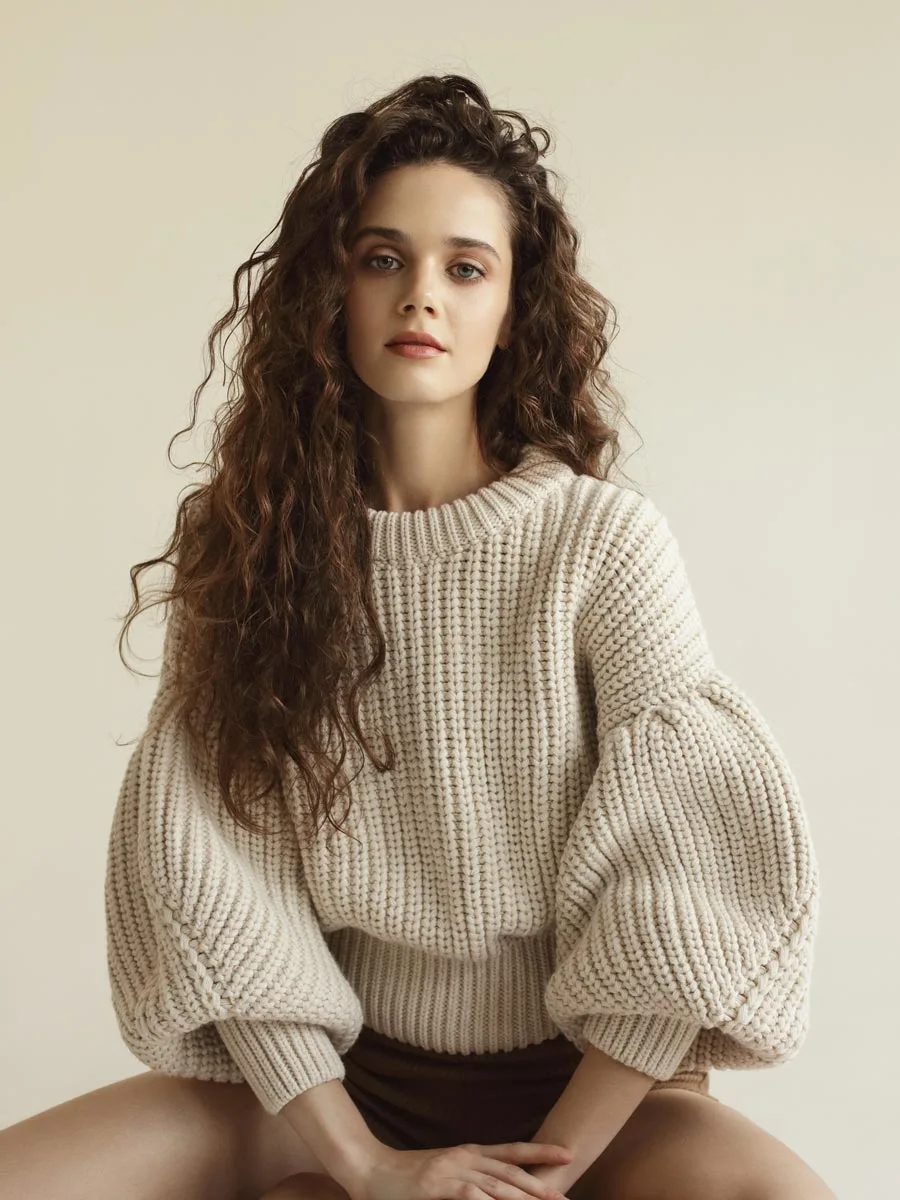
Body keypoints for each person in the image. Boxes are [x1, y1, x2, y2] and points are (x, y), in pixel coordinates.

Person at [0, 73, 836, 1200]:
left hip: (589, 1090)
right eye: (382, 258)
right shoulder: (247, 543)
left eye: (465, 267)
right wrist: (371, 1167)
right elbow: (211, 871)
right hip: (338, 1088)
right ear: (329, 289)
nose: (421, 299)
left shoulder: (599, 541)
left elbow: (690, 869)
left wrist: (540, 1175)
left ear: (512, 307)